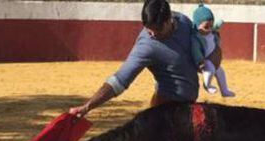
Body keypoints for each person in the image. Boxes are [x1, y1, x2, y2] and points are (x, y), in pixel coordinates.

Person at [69, 0, 201, 118]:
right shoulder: (146, 46)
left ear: (169, 20)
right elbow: (119, 80)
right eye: (149, 29)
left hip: (189, 106)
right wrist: (88, 106)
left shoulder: (183, 21)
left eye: (158, 29)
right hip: (166, 111)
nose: (152, 34)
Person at [191, 4, 235, 97]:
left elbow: (216, 25)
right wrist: (200, 61)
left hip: (214, 61)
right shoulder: (195, 38)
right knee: (210, 69)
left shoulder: (211, 31)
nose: (210, 29)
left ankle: (224, 90)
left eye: (211, 26)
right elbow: (195, 50)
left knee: (220, 72)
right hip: (205, 61)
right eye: (206, 27)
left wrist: (219, 23)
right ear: (197, 26)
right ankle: (207, 85)